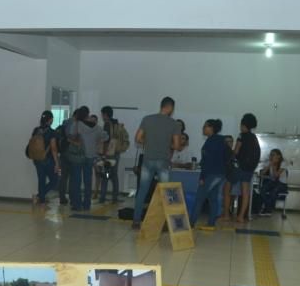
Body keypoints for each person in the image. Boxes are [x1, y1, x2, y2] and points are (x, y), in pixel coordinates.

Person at [132, 97, 183, 229]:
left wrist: (148, 142)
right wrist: (168, 144)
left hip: (147, 160)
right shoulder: (174, 124)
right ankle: (168, 223)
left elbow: (137, 138)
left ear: (161, 106)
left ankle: (136, 221)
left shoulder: (147, 119)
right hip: (163, 162)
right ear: (170, 108)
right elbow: (177, 146)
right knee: (167, 192)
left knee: (142, 191)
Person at [190, 119, 230, 227]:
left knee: (199, 198)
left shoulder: (210, 142)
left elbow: (206, 162)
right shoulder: (222, 141)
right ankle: (211, 223)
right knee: (213, 198)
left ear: (211, 128)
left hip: (211, 174)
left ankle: (191, 222)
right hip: (221, 174)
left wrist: (202, 177)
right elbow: (227, 156)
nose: (203, 128)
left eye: (205, 126)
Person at [223, 113, 260, 223]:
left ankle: (226, 215)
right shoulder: (254, 137)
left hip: (240, 167)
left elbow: (236, 151)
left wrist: (230, 154)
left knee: (226, 188)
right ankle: (240, 217)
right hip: (249, 169)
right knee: (245, 192)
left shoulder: (241, 136)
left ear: (243, 124)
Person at [68, 106, 105, 211]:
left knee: (76, 181)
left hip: (78, 156)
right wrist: (96, 141)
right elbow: (105, 136)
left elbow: (70, 136)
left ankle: (77, 204)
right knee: (88, 181)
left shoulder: (76, 125)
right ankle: (87, 205)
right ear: (87, 115)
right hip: (90, 157)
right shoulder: (96, 127)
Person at [27, 111, 59, 206]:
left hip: (37, 159)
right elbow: (53, 148)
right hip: (48, 160)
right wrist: (57, 163)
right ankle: (39, 197)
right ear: (50, 120)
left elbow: (32, 145)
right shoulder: (52, 132)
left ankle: (41, 200)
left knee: (41, 180)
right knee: (54, 180)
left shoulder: (36, 130)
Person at [98, 106, 129, 204]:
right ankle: (114, 197)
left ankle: (102, 197)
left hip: (109, 154)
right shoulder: (117, 124)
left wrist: (103, 154)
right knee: (114, 175)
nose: (102, 116)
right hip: (116, 153)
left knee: (105, 175)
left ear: (106, 115)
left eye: (102, 114)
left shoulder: (107, 124)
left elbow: (106, 141)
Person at [57, 109, 78, 205]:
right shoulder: (74, 124)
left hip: (63, 152)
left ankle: (62, 197)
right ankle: (72, 197)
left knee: (63, 177)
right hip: (72, 153)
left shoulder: (65, 122)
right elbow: (72, 137)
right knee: (73, 177)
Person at [258, 149, 288, 216]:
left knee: (274, 191)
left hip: (282, 184)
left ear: (279, 156)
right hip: (273, 182)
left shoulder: (283, 163)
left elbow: (276, 175)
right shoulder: (269, 162)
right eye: (270, 155)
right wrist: (269, 165)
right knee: (262, 189)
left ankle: (267, 209)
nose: (271, 156)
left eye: (273, 155)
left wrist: (274, 166)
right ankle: (268, 208)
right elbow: (262, 174)